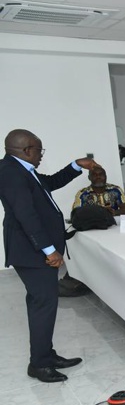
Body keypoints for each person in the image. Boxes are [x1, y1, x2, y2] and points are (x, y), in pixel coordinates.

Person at [0, 129, 97, 383]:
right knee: (43, 304)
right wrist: (48, 249)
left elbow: (50, 183)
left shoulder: (22, 169)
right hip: (31, 252)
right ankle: (39, 364)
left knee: (43, 302)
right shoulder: (10, 172)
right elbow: (26, 215)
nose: (41, 155)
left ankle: (45, 355)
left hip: (32, 250)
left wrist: (76, 165)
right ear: (26, 150)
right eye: (39, 150)